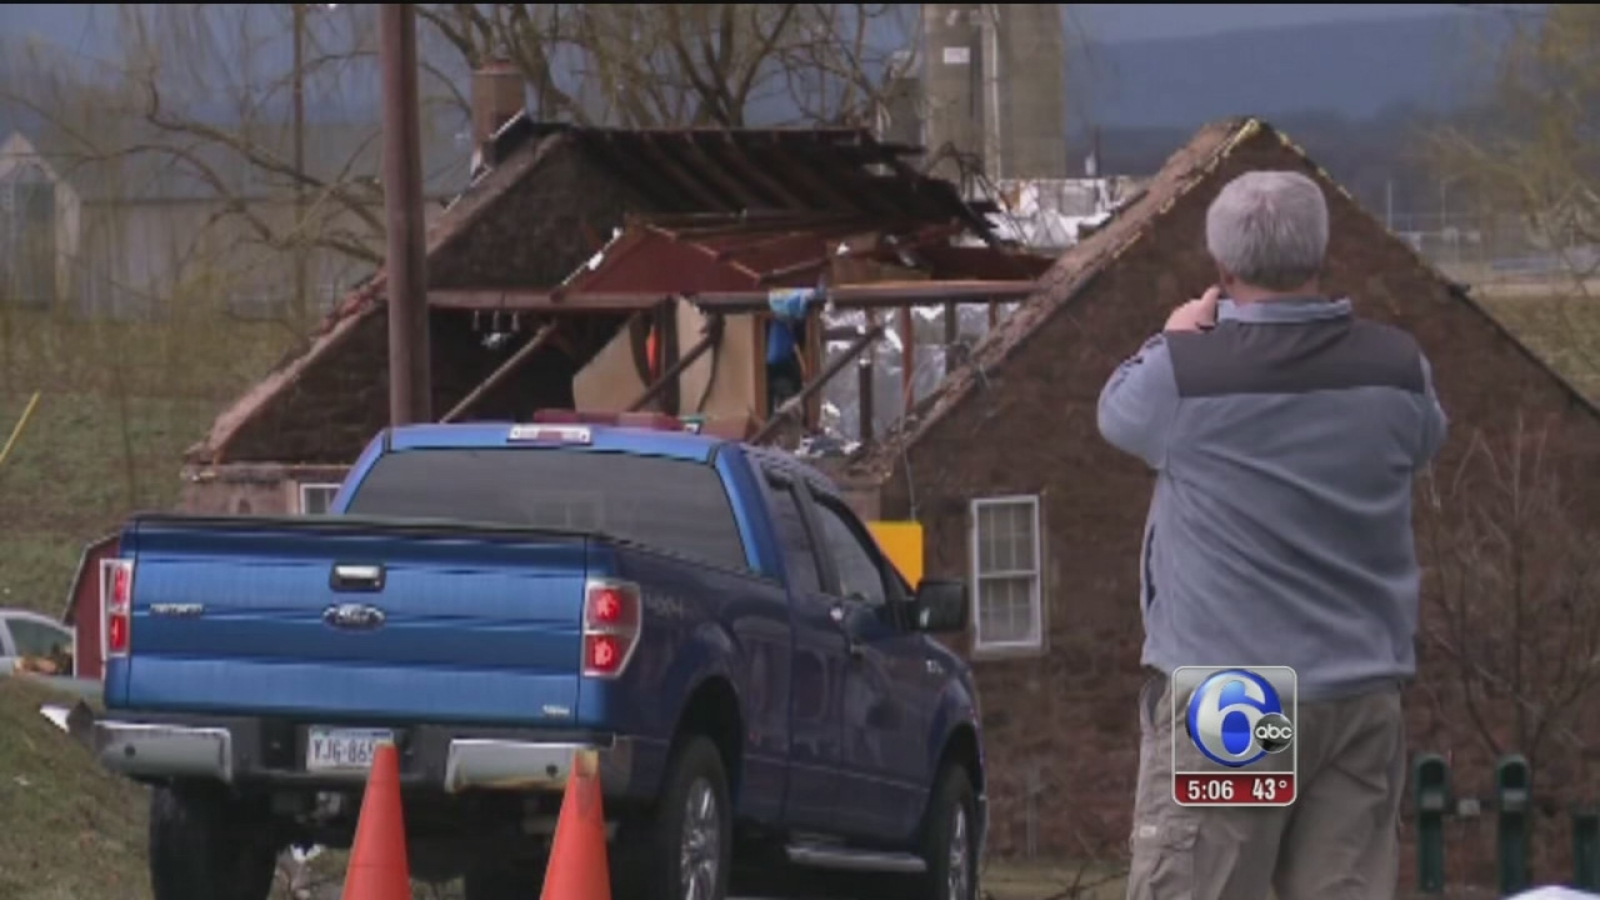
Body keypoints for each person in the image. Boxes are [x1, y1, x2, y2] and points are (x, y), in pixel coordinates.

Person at [1096, 170, 1450, 900]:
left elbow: (1116, 413)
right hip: (1359, 685)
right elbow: (1424, 443)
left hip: (1240, 690)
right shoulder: (1397, 370)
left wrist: (1173, 336)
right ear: (1322, 257)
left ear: (1223, 270)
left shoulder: (1184, 376)